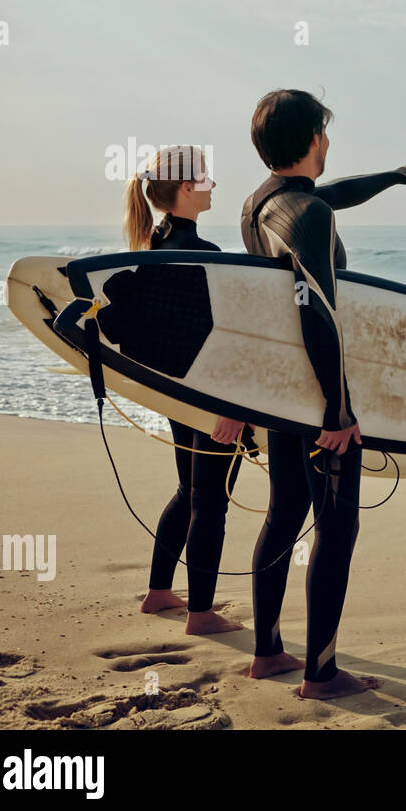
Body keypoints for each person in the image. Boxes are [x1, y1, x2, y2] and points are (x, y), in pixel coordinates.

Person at [241, 89, 406, 698]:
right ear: (314, 140)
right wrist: (338, 409)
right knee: (336, 527)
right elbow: (319, 310)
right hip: (320, 397)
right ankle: (321, 674)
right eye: (325, 132)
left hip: (281, 394)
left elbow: (331, 195)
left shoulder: (260, 205)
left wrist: (398, 177)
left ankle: (267, 652)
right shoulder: (308, 215)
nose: (330, 142)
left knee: (282, 515)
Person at [124, 145, 247, 635]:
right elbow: (220, 341)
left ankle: (158, 592)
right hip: (209, 400)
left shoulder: (154, 246)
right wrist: (229, 406)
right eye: (206, 181)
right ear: (185, 189)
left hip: (176, 394)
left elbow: (169, 337)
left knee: (189, 490)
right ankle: (200, 613)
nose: (212, 187)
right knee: (211, 500)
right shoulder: (202, 255)